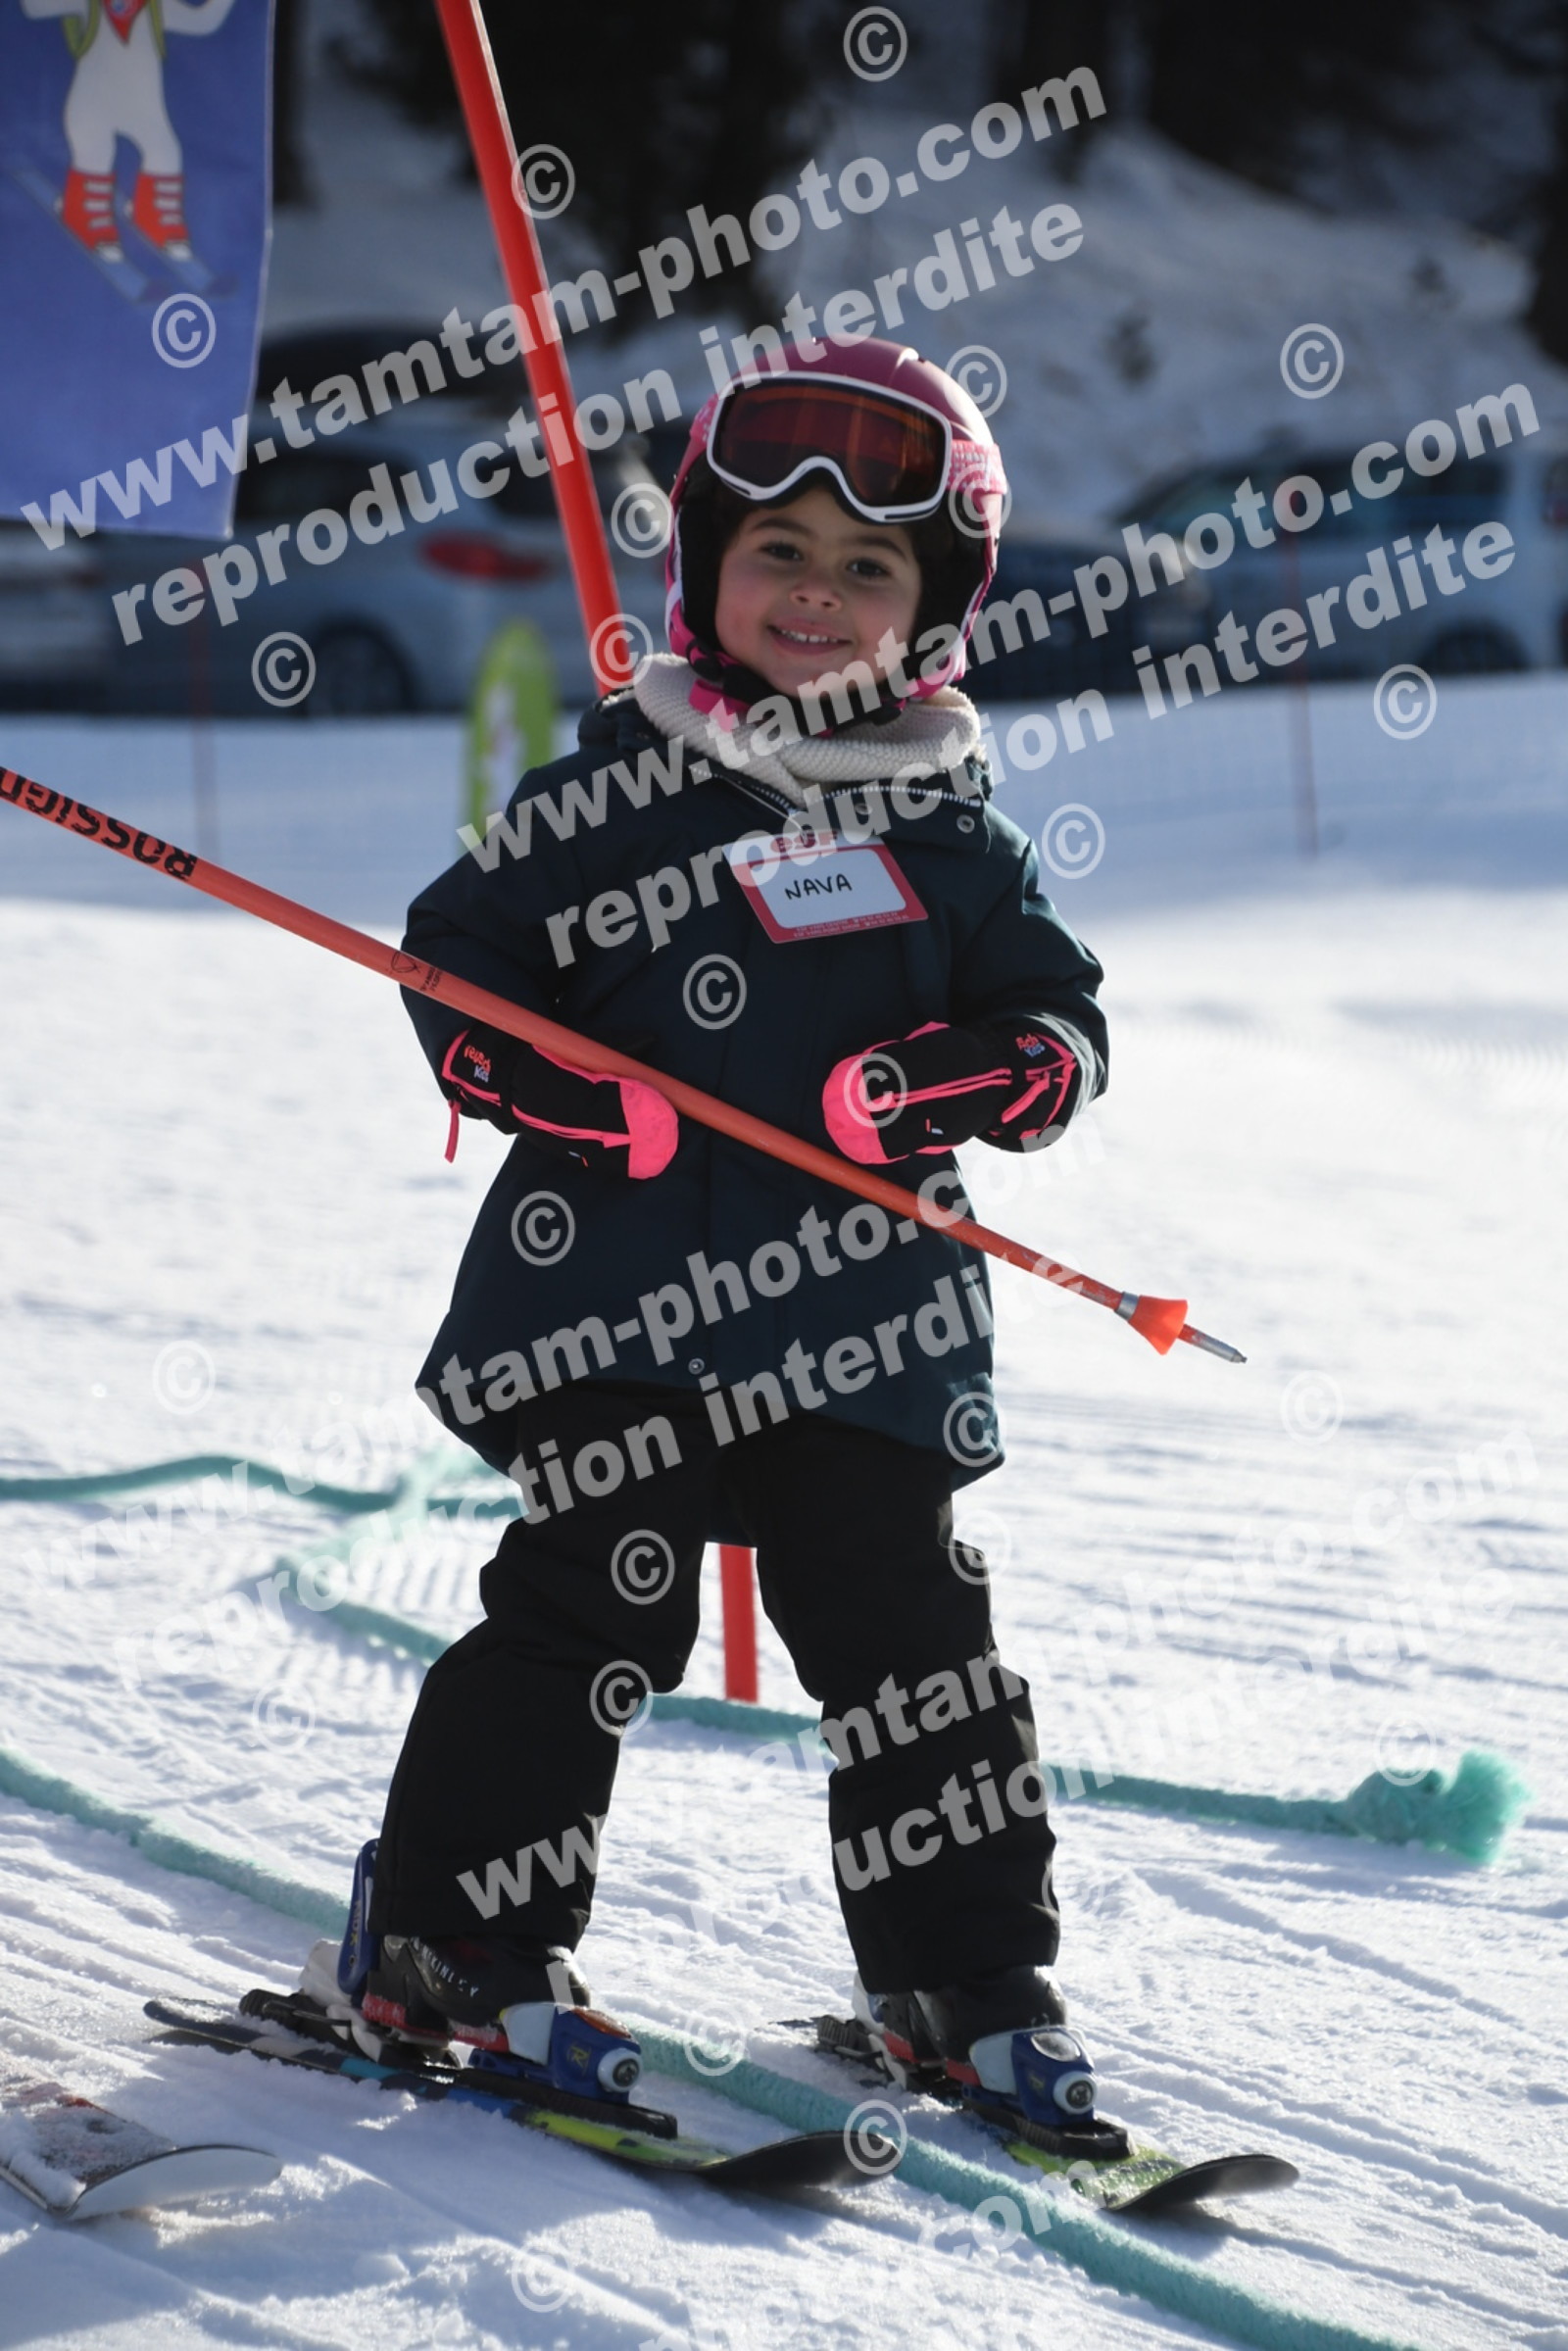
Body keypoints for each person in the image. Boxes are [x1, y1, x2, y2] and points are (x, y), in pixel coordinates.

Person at [315, 338, 1114, 2144]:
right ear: (705, 572)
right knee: (604, 1596)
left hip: (865, 1334)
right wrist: (565, 1086)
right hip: (615, 1304)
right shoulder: (617, 793)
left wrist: (982, 1072)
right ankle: (453, 1938)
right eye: (781, 553)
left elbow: (1060, 1025)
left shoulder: (958, 838)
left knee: (916, 1635)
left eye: (868, 566)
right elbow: (457, 960)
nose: (818, 595)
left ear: (934, 610)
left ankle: (968, 1978)